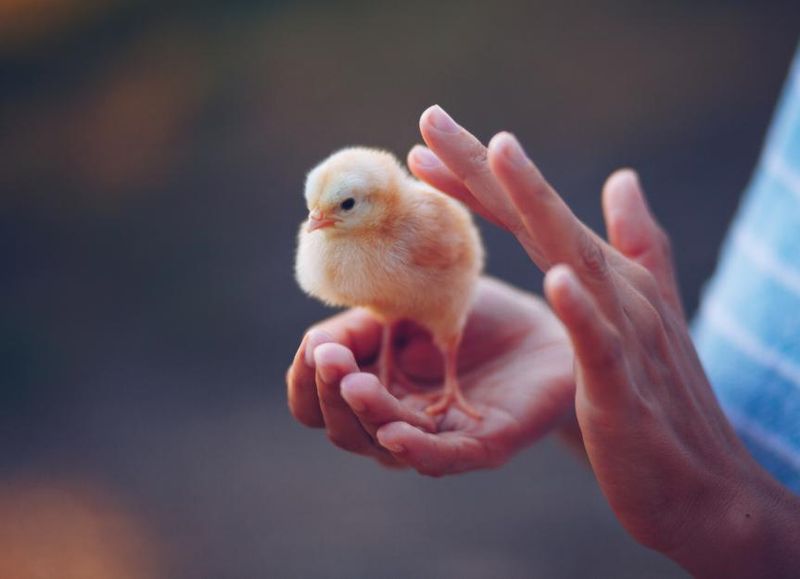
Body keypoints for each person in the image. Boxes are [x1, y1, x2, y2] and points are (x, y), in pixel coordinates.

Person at [286, 49, 800, 577]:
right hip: (711, 398)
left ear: (377, 203)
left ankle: (446, 381)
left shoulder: (410, 226)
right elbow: (662, 431)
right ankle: (407, 362)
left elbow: (455, 263)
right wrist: (593, 372)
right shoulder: (336, 234)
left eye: (340, 209)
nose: (317, 223)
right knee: (388, 326)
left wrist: (740, 519)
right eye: (316, 211)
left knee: (430, 326)